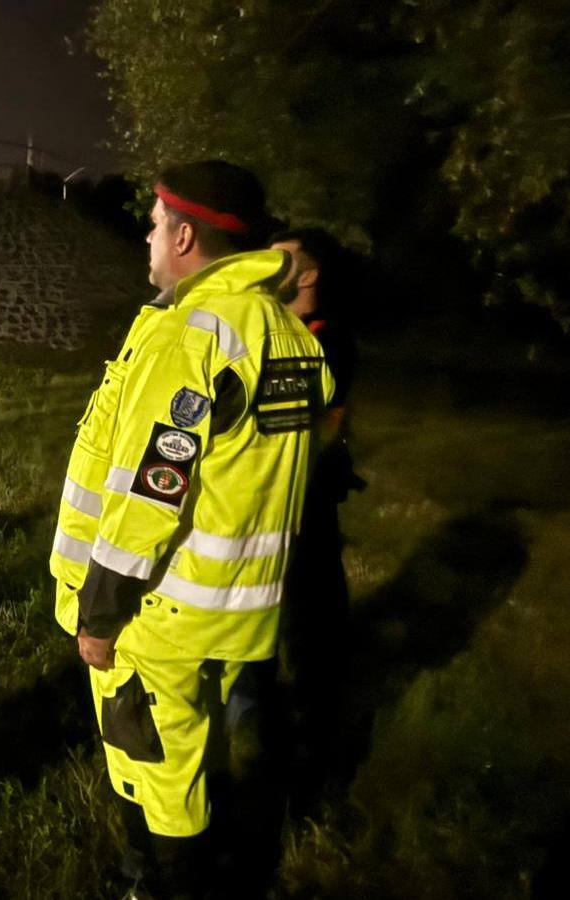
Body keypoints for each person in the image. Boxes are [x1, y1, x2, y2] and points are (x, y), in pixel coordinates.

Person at [48, 161, 333, 898]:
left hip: (161, 610)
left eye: (153, 225)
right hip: (238, 607)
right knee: (201, 753)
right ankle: (171, 871)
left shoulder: (192, 336)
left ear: (182, 236)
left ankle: (166, 883)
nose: (147, 238)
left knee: (158, 767)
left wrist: (100, 613)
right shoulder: (285, 332)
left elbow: (148, 494)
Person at [269, 226, 362, 804]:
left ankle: (320, 769)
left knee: (313, 633)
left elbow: (318, 429)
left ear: (308, 275)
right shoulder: (277, 332)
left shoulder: (325, 340)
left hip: (305, 511)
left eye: (281, 262)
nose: (266, 269)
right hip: (271, 513)